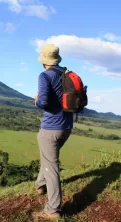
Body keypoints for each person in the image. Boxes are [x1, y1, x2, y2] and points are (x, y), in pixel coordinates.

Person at [32, 44, 73, 220]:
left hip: (51, 128)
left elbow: (42, 101)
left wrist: (36, 100)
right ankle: (40, 185)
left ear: (44, 61)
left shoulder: (45, 76)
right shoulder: (67, 75)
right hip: (67, 127)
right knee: (48, 158)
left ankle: (53, 210)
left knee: (51, 166)